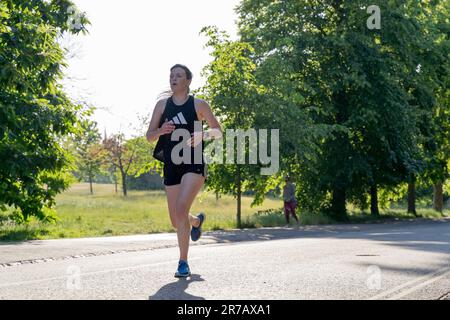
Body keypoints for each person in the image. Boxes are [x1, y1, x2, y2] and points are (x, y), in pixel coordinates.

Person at [146, 64, 223, 278]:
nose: (173, 78)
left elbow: (218, 131)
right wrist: (160, 130)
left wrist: (203, 135)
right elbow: (149, 136)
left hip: (194, 162)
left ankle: (183, 262)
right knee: (176, 219)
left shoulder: (199, 104)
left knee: (180, 208)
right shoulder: (162, 105)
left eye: (178, 75)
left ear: (188, 81)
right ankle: (196, 221)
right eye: (171, 75)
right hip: (171, 163)